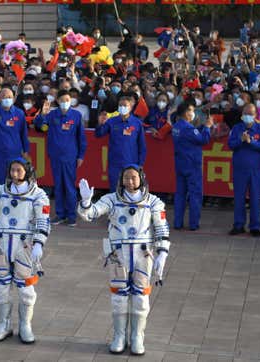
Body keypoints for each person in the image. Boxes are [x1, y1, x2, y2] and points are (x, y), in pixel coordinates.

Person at [77, 165, 170, 355]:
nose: (130, 182)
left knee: (141, 299)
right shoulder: (112, 200)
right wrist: (86, 202)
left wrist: (162, 253)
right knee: (119, 298)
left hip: (143, 255)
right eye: (126, 178)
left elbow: (161, 228)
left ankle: (137, 337)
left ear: (141, 179)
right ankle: (119, 336)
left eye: (134, 178)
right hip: (118, 255)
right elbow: (90, 214)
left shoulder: (153, 202)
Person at [0, 158, 50, 344]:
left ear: (28, 172)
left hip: (25, 246)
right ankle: (3, 324)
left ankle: (25, 325)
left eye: (19, 170)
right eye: (12, 170)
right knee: (1, 287)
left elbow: (43, 220)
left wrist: (39, 243)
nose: (15, 174)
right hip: (2, 245)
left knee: (26, 289)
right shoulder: (1, 190)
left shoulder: (38, 195)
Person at [34, 90, 87, 227]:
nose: (65, 103)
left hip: (70, 157)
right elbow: (39, 125)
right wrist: (42, 114)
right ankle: (60, 214)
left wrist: (81, 155)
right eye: (62, 100)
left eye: (67, 100)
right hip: (55, 156)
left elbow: (81, 138)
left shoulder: (76, 116)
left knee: (69, 186)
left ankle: (71, 215)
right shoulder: (52, 115)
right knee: (58, 186)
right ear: (57, 101)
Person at [0, 88, 30, 221]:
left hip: (15, 155)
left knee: (16, 183)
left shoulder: (19, 113)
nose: (7, 99)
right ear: (0, 99)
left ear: (13, 98)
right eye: (4, 96)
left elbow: (24, 134)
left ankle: (15, 212)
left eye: (9, 96)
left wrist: (26, 151)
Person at [227, 103, 260, 237]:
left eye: (250, 114)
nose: (248, 116)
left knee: (255, 199)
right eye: (245, 113)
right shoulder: (236, 128)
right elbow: (231, 145)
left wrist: (251, 142)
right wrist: (241, 140)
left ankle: (255, 226)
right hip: (240, 169)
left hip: (256, 169)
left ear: (256, 115)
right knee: (239, 198)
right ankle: (238, 225)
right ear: (241, 115)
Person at [171, 102, 213, 230]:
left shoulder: (176, 127)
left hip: (180, 164)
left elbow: (193, 135)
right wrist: (207, 127)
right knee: (195, 195)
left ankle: (178, 223)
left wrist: (200, 127)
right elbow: (203, 140)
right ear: (186, 112)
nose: (193, 113)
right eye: (191, 110)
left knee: (180, 195)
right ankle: (194, 224)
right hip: (192, 165)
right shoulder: (188, 129)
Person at [96, 96, 147, 191]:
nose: (122, 107)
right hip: (115, 163)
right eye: (120, 105)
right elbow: (99, 134)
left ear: (130, 107)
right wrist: (100, 123)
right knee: (115, 189)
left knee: (131, 190)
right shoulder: (111, 121)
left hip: (132, 163)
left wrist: (140, 163)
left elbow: (142, 145)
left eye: (125, 105)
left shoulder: (137, 123)